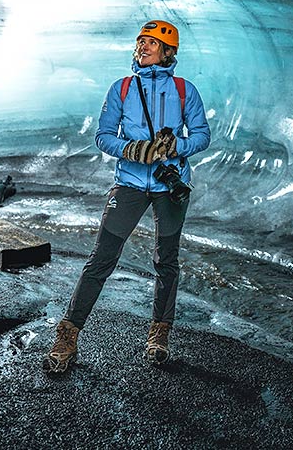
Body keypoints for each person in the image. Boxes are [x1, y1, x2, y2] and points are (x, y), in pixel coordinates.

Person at [44, 20, 211, 373]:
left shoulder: (184, 90)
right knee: (101, 259)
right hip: (131, 183)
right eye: (141, 41)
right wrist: (132, 149)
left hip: (170, 185)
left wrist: (176, 146)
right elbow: (103, 136)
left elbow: (201, 135)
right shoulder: (122, 89)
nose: (143, 46)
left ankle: (159, 335)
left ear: (168, 51)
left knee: (167, 260)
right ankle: (68, 335)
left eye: (152, 42)